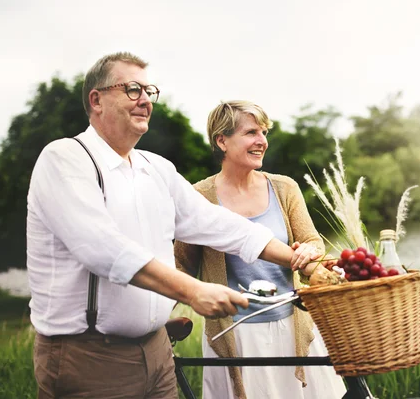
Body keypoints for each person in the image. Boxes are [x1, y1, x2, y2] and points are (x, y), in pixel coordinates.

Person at [26, 52, 323, 399]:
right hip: (91, 356)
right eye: (133, 89)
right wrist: (194, 291)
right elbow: (102, 248)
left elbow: (219, 224)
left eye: (149, 91)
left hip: (157, 352)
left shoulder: (157, 168)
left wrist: (297, 259)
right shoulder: (65, 159)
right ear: (97, 99)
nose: (145, 101)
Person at [174, 101, 347, 399]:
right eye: (251, 132)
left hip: (294, 326)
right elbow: (180, 267)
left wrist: (308, 251)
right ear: (222, 140)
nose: (262, 141)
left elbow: (313, 241)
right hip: (234, 334)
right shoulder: (198, 197)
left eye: (264, 132)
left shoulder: (284, 188)